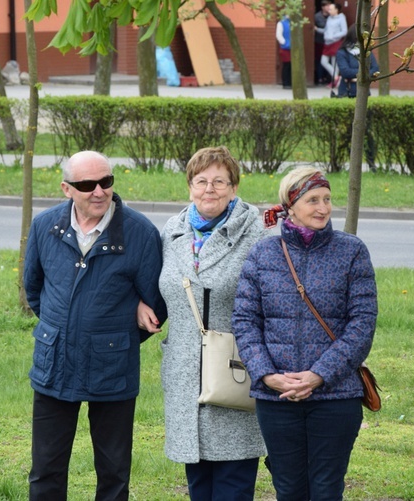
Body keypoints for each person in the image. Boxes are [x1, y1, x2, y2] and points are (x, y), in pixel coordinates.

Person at [23, 150, 168, 500]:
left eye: (106, 181)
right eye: (87, 184)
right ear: (66, 189)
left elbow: (157, 306)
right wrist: (64, 328)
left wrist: (116, 331)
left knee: (114, 473)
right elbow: (34, 288)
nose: (100, 191)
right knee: (45, 470)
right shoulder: (45, 226)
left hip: (112, 368)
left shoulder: (141, 233)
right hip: (54, 365)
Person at [232, 167, 377, 501]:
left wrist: (318, 375)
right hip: (277, 399)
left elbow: (362, 324)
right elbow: (245, 320)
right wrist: (267, 375)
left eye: (327, 199)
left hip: (336, 397)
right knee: (289, 489)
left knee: (326, 490)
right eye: (313, 200)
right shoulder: (263, 254)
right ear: (291, 205)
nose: (323, 208)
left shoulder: (352, 252)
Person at [158, 146, 267, 500]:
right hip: (185, 373)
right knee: (199, 483)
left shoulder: (257, 234)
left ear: (234, 188)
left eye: (220, 181)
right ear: (189, 186)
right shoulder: (172, 231)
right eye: (201, 181)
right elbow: (159, 286)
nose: (210, 189)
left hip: (234, 367)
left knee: (233, 481)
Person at [336, 25, 380, 169]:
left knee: (368, 132)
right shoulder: (342, 52)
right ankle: (344, 163)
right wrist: (363, 74)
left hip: (363, 95)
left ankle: (371, 161)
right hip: (347, 94)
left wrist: (357, 76)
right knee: (347, 131)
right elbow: (345, 71)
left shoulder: (366, 52)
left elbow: (375, 69)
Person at [321, 2, 348, 89]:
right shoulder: (329, 18)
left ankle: (334, 81)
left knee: (334, 63)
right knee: (323, 61)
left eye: (331, 9)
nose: (329, 11)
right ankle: (337, 78)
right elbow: (326, 30)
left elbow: (344, 31)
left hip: (335, 42)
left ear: (336, 10)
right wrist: (319, 30)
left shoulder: (341, 18)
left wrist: (333, 36)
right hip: (327, 43)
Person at [314, 0, 332, 85]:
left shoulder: (332, 16)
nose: (329, 8)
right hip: (319, 41)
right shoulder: (317, 16)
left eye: (330, 6)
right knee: (319, 60)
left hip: (329, 42)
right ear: (322, 7)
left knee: (329, 60)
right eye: (327, 6)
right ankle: (320, 78)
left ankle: (328, 78)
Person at [276, 14, 292, 89]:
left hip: (292, 47)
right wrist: (285, 43)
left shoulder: (292, 22)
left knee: (292, 66)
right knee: (287, 65)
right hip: (285, 48)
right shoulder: (281, 23)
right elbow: (278, 35)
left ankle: (291, 82)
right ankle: (286, 83)